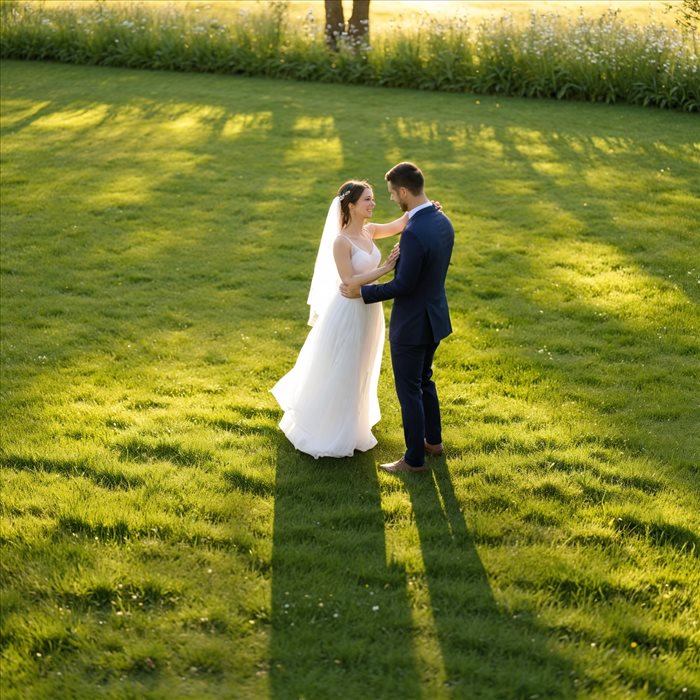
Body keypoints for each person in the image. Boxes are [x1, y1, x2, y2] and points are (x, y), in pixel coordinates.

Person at [271, 180, 407, 458]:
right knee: (343, 368)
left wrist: (426, 209)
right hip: (348, 312)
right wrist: (385, 268)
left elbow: (400, 223)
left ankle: (354, 428)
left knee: (362, 367)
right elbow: (349, 281)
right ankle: (330, 431)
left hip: (370, 311)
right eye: (367, 200)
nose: (373, 203)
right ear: (351, 205)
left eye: (373, 198)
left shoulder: (369, 231)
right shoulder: (340, 242)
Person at [341, 162, 454, 473]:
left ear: (404, 191)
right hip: (435, 317)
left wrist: (361, 294)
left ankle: (414, 459)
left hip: (413, 324)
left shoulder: (416, 233)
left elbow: (403, 285)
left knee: (410, 391)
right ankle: (434, 441)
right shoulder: (442, 220)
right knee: (424, 380)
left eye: (391, 193)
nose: (389, 199)